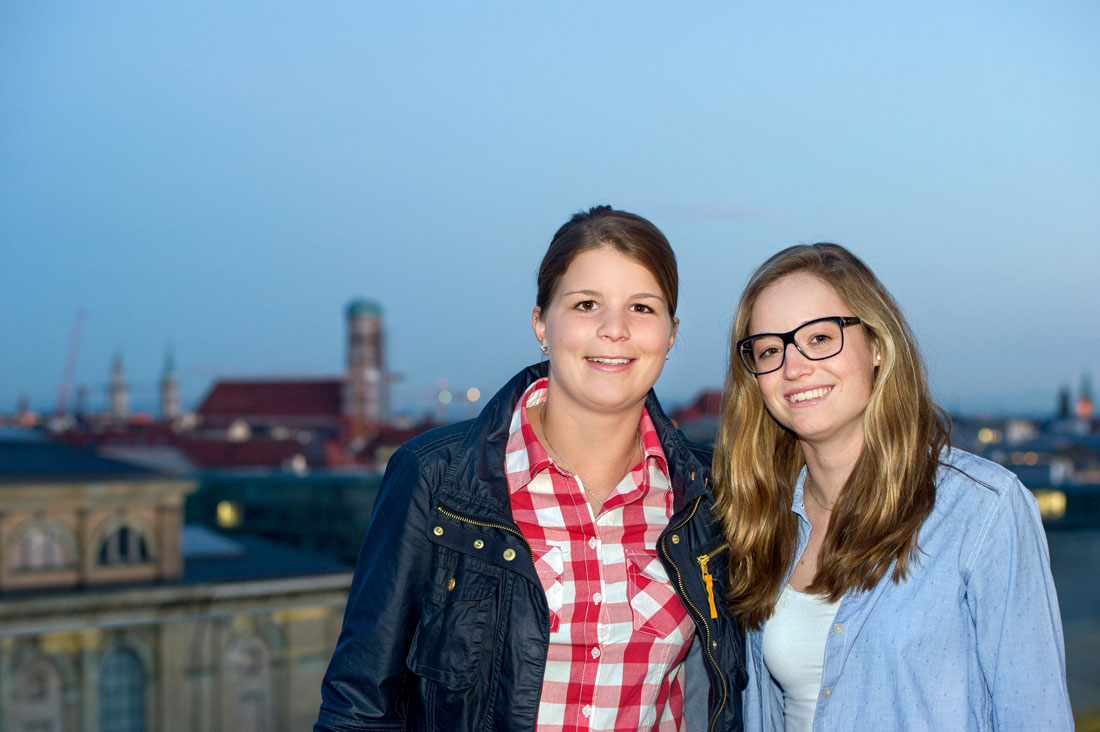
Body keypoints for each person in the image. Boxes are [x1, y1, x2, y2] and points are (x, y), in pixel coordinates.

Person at [316, 205, 745, 732]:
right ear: (541, 322)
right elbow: (358, 708)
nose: (615, 329)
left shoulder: (709, 493)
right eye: (587, 304)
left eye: (641, 307)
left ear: (671, 332)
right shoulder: (437, 480)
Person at [712, 243, 1072, 731]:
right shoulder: (759, 521)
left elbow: (1036, 716)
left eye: (820, 338)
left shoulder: (982, 511)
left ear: (877, 346)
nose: (794, 367)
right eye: (771, 350)